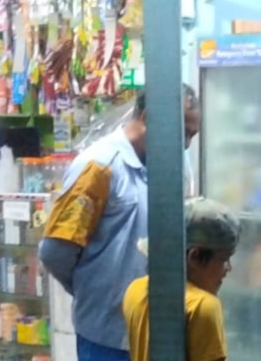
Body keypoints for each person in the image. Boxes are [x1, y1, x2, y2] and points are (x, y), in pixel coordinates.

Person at [39, 86, 201, 361]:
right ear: (149, 118)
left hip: (159, 331)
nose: (186, 144)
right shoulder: (99, 166)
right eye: (182, 132)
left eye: (192, 135)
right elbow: (56, 252)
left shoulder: (173, 165)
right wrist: (94, 290)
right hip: (109, 337)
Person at [123, 197, 240, 361]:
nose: (228, 268)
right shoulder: (202, 306)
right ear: (194, 257)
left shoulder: (135, 289)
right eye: (224, 259)